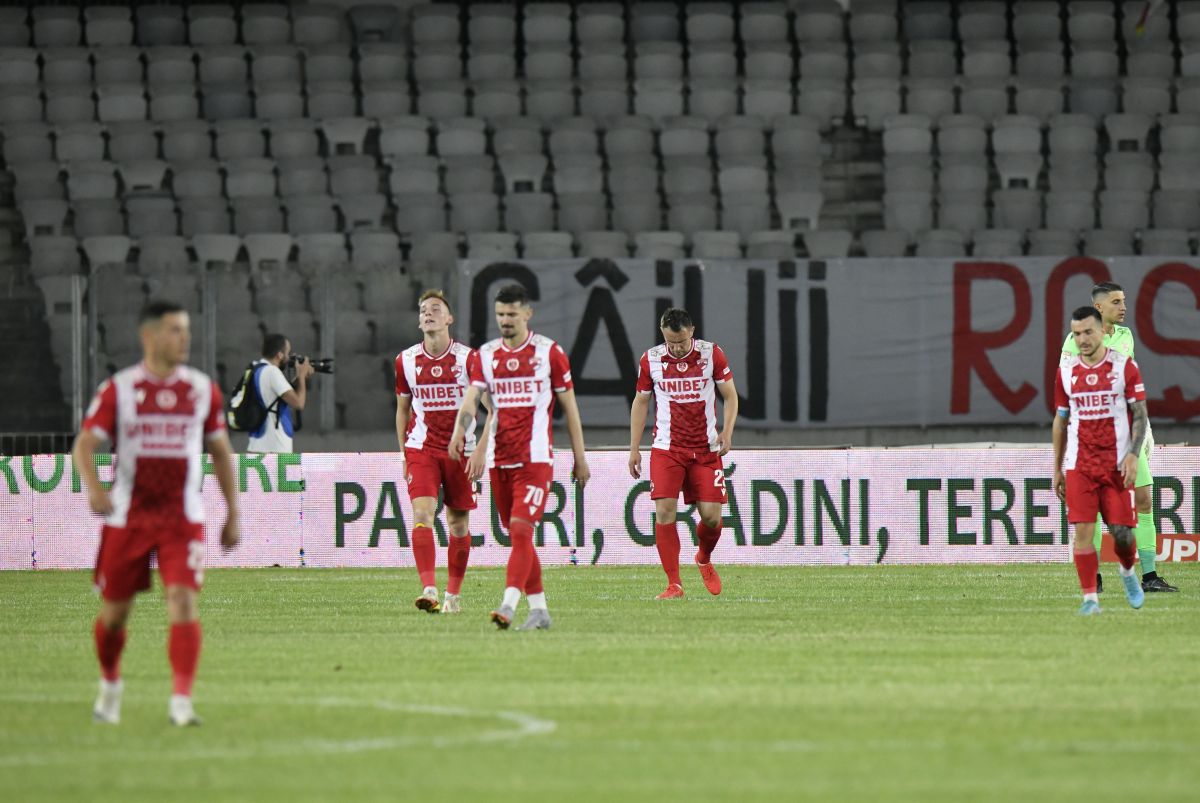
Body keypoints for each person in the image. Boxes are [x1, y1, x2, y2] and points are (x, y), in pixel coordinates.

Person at [72, 300, 239, 726]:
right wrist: (94, 489)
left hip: (181, 519)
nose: (184, 338)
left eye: (185, 329)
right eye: (174, 330)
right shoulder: (121, 389)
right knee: (114, 616)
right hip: (128, 518)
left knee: (182, 601)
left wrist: (233, 513)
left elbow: (221, 452)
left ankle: (181, 702)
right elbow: (85, 445)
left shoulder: (202, 389)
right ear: (149, 336)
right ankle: (111, 686)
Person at [448, 283, 590, 631]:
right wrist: (460, 430)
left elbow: (569, 407)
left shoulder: (549, 353)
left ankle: (508, 605)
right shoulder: (486, 354)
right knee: (516, 536)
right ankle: (540, 610)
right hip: (499, 459)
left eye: (512, 314)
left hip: (535, 460)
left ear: (528, 313)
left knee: (521, 529)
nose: (505, 320)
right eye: (500, 314)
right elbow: (472, 398)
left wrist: (579, 456)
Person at [1060, 282, 1176, 593]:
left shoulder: (1125, 336)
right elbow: (1067, 390)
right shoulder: (1074, 342)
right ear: (1099, 308)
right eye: (1116, 301)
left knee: (1144, 499)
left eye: (1123, 300)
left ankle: (1150, 576)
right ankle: (1094, 579)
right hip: (1094, 438)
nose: (1123, 307)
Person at [628, 308, 739, 600]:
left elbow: (730, 395)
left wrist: (727, 432)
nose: (676, 348)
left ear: (691, 331)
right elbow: (640, 403)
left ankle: (703, 557)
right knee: (665, 512)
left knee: (712, 518)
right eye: (670, 342)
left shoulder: (711, 354)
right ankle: (674, 584)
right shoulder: (650, 359)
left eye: (680, 341)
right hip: (667, 448)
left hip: (705, 448)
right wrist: (634, 448)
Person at [395, 289, 490, 614]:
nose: (428, 313)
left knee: (458, 525)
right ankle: (429, 589)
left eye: (436, 308)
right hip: (422, 448)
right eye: (423, 310)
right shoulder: (405, 360)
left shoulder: (468, 358)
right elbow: (402, 410)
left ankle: (453, 595)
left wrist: (479, 448)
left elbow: (494, 408)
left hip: (459, 453)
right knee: (422, 514)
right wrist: (404, 454)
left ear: (449, 319)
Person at [1053, 306, 1150, 615]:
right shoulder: (1066, 372)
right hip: (1080, 464)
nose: (1082, 339)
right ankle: (1090, 599)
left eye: (1087, 332)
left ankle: (1127, 572)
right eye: (1076, 334)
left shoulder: (1125, 367)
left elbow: (1140, 414)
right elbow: (1060, 420)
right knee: (1082, 531)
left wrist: (1134, 454)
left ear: (1101, 331)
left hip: (1115, 463)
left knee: (1122, 534)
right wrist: (1057, 468)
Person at [246, 333, 314, 454]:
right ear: (279, 355)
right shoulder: (272, 372)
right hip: (274, 448)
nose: (289, 358)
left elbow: (274, 397)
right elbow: (298, 403)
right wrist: (302, 376)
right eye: (288, 353)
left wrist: (299, 378)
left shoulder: (256, 369)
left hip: (258, 444)